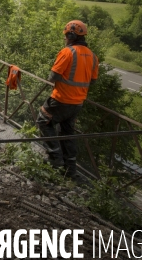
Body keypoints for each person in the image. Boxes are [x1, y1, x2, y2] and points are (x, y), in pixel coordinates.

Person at [36, 20, 99, 178]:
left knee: (43, 121)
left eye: (66, 36)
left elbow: (53, 76)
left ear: (71, 35)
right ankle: (70, 168)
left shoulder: (67, 52)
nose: (65, 39)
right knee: (67, 132)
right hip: (78, 102)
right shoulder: (93, 56)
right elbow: (92, 81)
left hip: (61, 99)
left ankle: (55, 159)